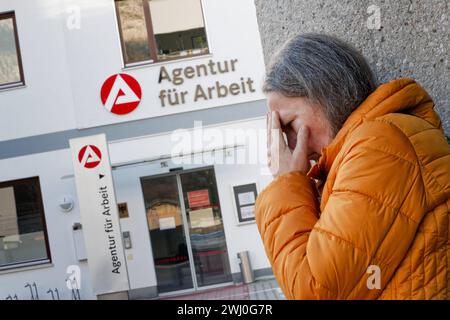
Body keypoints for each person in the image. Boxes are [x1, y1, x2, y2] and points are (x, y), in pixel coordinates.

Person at [255, 33, 450, 299]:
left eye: (288, 125)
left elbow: (315, 290)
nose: (285, 145)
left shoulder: (381, 146)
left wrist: (286, 183)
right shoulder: (367, 147)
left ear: (325, 94)